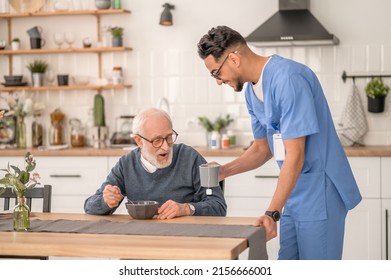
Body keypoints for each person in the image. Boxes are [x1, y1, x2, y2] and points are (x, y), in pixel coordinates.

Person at [197, 26, 362, 260]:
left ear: (233, 59)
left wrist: (272, 212)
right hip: (292, 190)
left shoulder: (288, 78)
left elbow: (295, 154)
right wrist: (223, 171)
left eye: (216, 73)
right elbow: (262, 149)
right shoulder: (251, 92)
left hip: (319, 190)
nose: (218, 81)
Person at [84, 108, 227, 219]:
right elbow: (89, 206)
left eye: (169, 137)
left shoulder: (190, 158)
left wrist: (187, 208)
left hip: (184, 241)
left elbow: (218, 206)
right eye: (157, 140)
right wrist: (105, 201)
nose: (166, 146)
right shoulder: (126, 165)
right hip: (142, 243)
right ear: (139, 141)